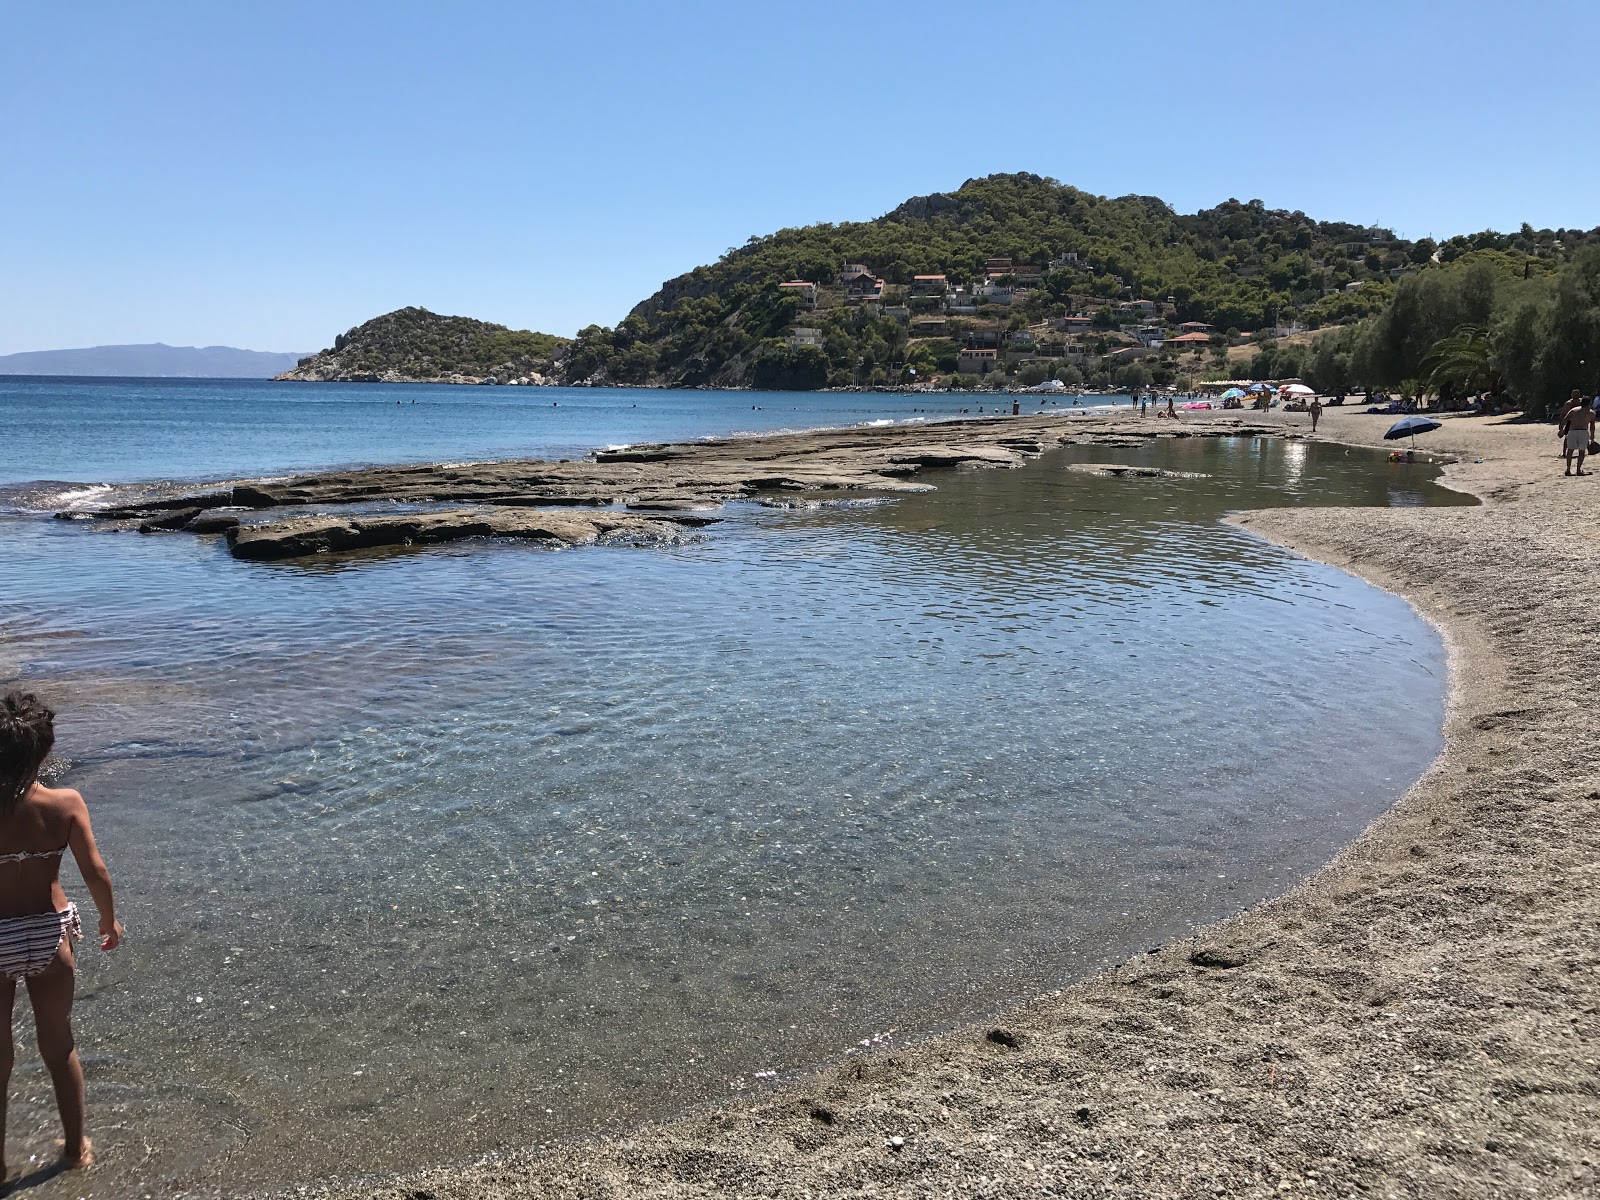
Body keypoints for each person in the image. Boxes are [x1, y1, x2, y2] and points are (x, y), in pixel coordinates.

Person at [0, 692, 121, 1175]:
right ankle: (75, 1150)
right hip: (49, 936)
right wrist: (107, 919)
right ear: (45, 753)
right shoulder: (64, 803)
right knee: (59, 1043)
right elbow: (95, 870)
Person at [1560, 392, 1596, 476]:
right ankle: (1578, 470)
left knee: (1570, 451)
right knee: (1582, 452)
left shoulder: (1573, 410)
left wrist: (1561, 429)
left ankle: (1568, 469)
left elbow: (1565, 420)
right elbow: (1592, 426)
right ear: (1589, 403)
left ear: (1581, 402)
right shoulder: (1591, 413)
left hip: (1572, 431)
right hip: (1583, 431)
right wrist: (1592, 436)